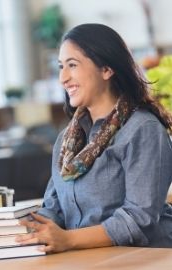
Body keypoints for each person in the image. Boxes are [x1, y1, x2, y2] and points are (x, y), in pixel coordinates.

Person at [16, 23, 172, 253]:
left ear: (106, 69)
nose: (63, 78)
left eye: (72, 65)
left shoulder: (142, 129)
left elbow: (139, 219)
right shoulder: (67, 139)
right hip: (84, 259)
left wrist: (68, 239)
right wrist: (16, 231)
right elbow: (54, 208)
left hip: (143, 258)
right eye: (61, 66)